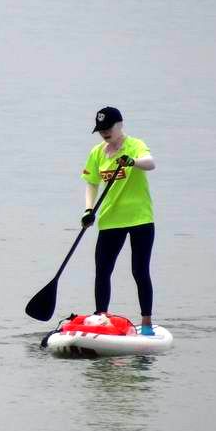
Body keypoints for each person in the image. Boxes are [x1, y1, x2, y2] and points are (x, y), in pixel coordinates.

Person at [80, 106, 158, 336]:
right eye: (100, 129)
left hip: (140, 219)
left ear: (119, 125)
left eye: (107, 128)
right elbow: (92, 183)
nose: (104, 133)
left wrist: (132, 161)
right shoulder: (96, 152)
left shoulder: (135, 145)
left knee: (139, 271)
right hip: (110, 220)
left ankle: (146, 323)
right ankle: (101, 320)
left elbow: (150, 163)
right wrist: (88, 210)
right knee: (102, 270)